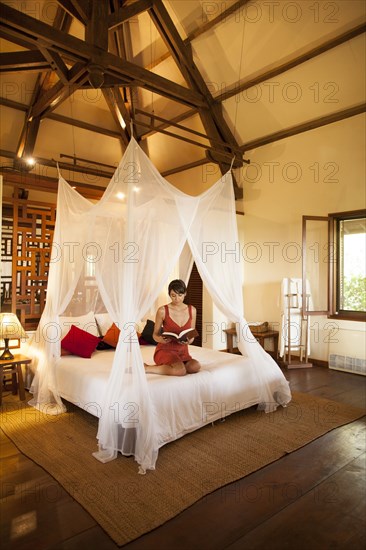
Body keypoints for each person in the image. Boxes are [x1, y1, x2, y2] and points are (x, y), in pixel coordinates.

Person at [144, 279, 201, 376]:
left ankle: (177, 365)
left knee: (195, 366)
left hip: (183, 350)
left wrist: (188, 341)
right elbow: (155, 335)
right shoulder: (162, 310)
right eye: (173, 295)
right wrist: (161, 339)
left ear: (185, 294)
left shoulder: (192, 310)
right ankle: (147, 368)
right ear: (169, 294)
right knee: (180, 371)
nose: (177, 299)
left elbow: (192, 334)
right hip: (165, 350)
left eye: (180, 295)